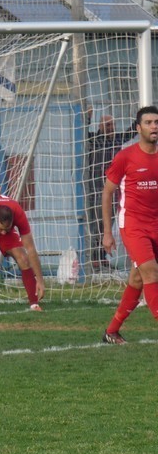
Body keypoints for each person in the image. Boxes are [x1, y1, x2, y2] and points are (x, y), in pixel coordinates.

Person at [101, 105, 158, 344]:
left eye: (156, 122)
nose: (154, 126)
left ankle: (111, 331)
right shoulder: (125, 156)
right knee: (151, 271)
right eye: (148, 123)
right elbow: (107, 193)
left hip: (156, 224)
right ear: (138, 128)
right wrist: (107, 232)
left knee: (137, 279)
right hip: (133, 225)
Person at [86, 111, 135, 270]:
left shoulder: (117, 139)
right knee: (96, 224)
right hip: (96, 189)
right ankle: (94, 257)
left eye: (112, 124)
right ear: (100, 126)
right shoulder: (94, 139)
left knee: (108, 223)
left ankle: (101, 256)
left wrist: (141, 113)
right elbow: (82, 132)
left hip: (113, 189)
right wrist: (87, 118)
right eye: (107, 125)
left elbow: (131, 132)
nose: (111, 127)